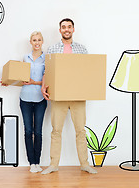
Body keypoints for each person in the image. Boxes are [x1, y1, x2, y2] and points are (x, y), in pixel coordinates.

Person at [41, 18, 97, 174]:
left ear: (73, 29)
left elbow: (87, 71)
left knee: (80, 130)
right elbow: (47, 71)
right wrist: (43, 86)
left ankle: (85, 164)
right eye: (63, 27)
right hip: (59, 96)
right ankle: (53, 165)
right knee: (56, 130)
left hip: (78, 95)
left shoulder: (82, 49)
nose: (66, 29)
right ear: (60, 30)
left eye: (69, 27)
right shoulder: (52, 49)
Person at [1, 31, 47, 173]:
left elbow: (48, 79)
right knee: (28, 130)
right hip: (25, 99)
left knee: (38, 132)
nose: (37, 42)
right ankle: (31, 163)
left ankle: (37, 162)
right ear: (30, 42)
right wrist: (9, 82)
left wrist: (35, 82)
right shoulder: (25, 58)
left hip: (40, 99)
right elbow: (21, 78)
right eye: (34, 40)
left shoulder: (47, 59)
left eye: (39, 40)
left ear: (42, 42)